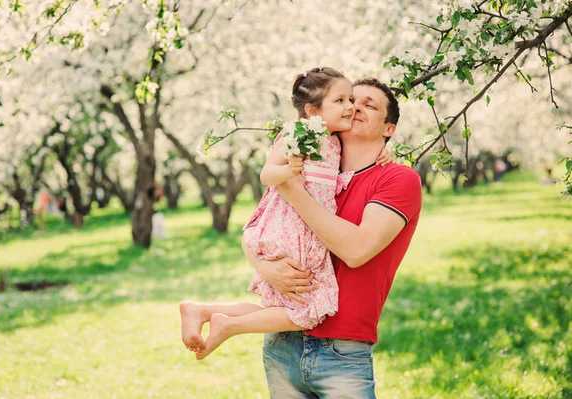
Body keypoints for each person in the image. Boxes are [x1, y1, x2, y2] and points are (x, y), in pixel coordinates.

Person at [179, 67, 393, 360]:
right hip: (293, 228)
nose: (351, 107)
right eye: (342, 100)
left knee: (283, 307)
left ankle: (206, 311)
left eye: (352, 101)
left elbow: (357, 157)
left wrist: (388, 152)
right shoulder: (300, 132)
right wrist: (289, 171)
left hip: (307, 229)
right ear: (312, 111)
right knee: (310, 307)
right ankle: (228, 324)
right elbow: (267, 174)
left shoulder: (334, 140)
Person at [245, 77, 423, 398]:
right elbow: (262, 222)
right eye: (350, 100)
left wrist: (295, 191)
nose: (355, 107)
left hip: (342, 351)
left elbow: (356, 251)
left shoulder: (398, 178)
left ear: (389, 129)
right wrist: (261, 265)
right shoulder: (314, 165)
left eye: (369, 105)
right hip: (282, 340)